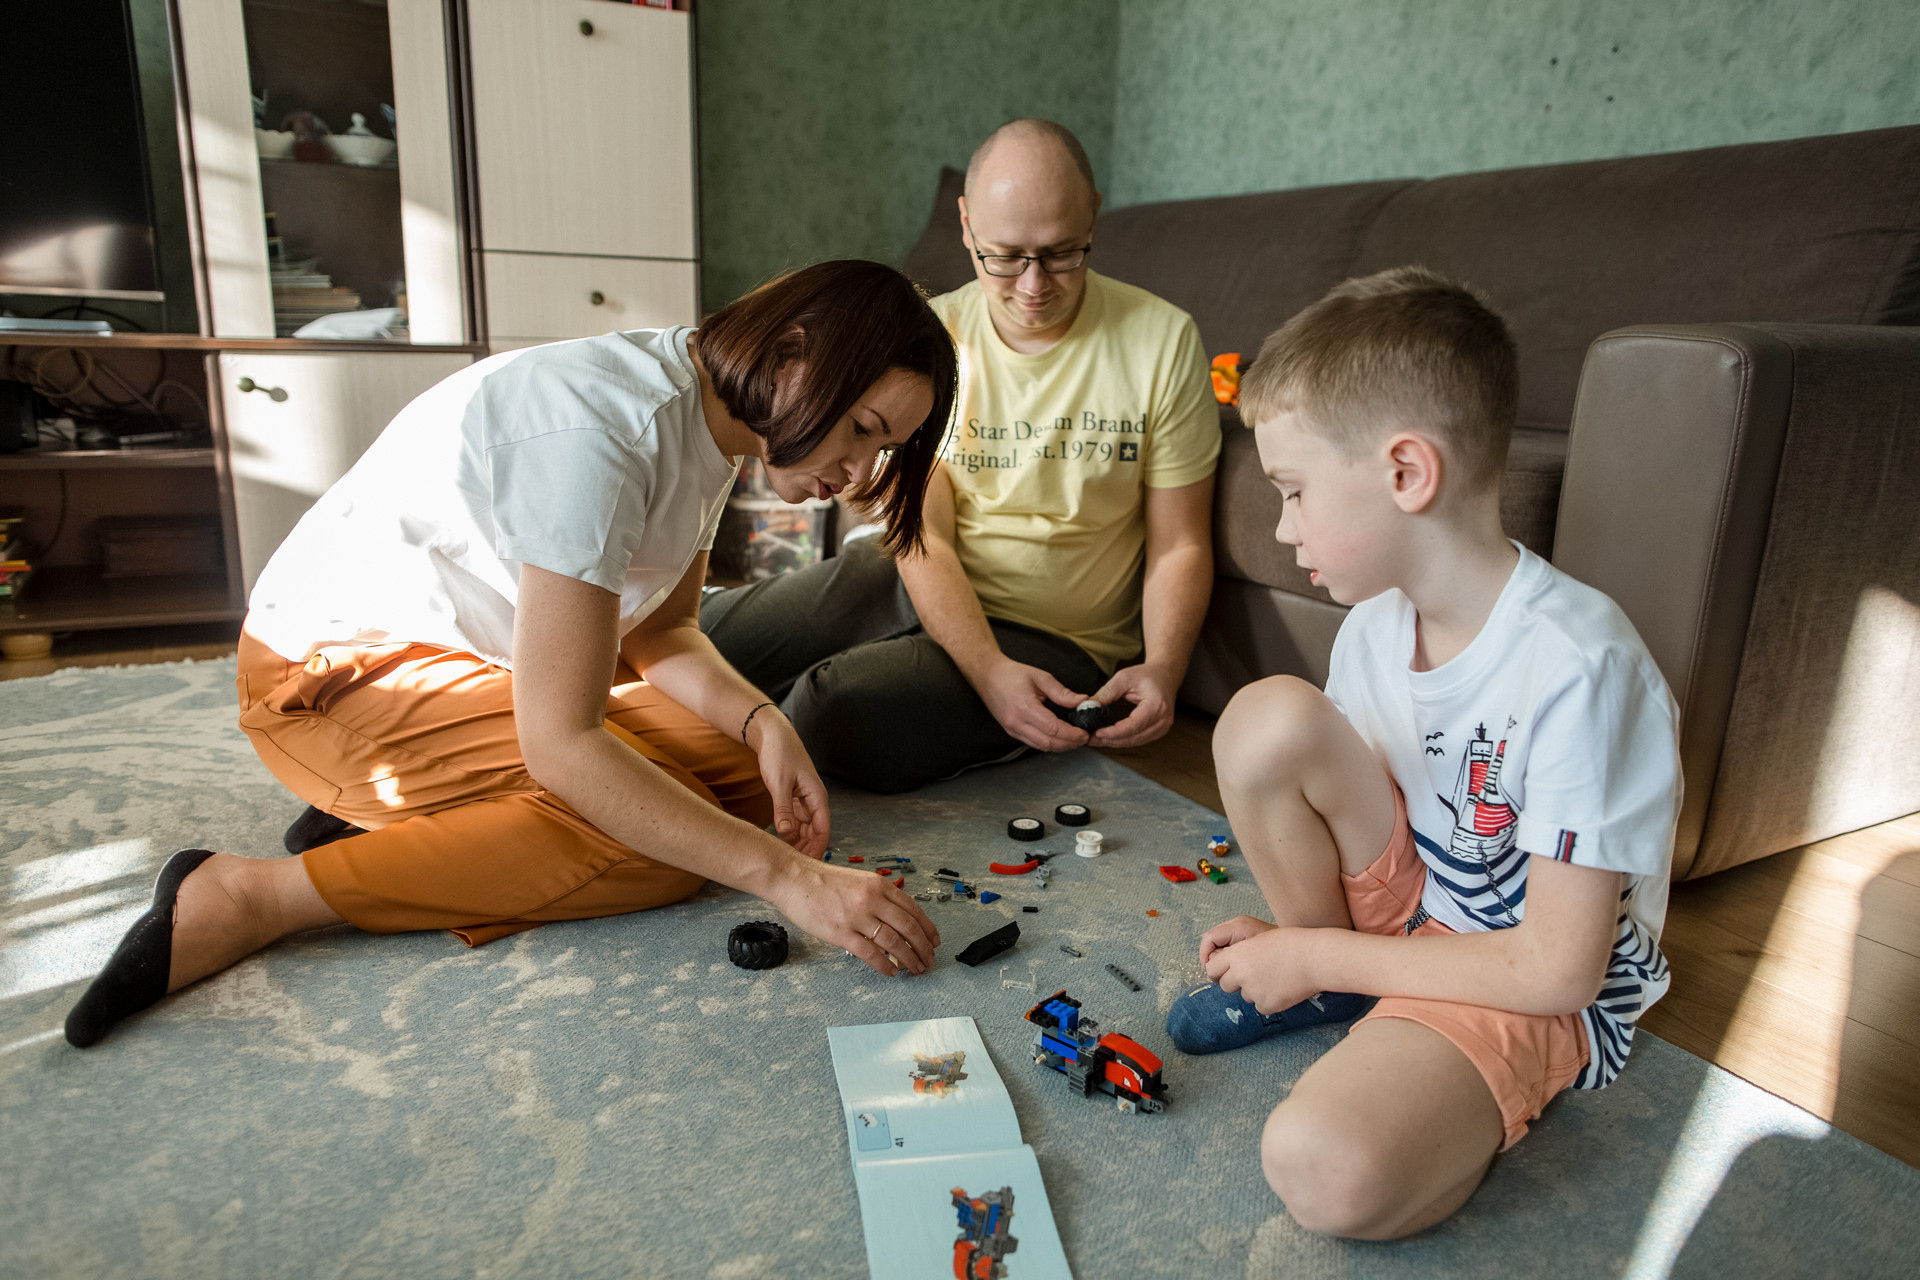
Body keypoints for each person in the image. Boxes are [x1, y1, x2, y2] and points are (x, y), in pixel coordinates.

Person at [65, 261, 958, 1049]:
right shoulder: (601, 427)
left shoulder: (713, 424)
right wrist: (789, 880)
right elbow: (563, 743)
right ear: (793, 352)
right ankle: (251, 896)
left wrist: (762, 722)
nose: (859, 470)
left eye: (883, 447)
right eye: (864, 427)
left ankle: (415, 826)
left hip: (467, 670)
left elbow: (660, 632)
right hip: (329, 684)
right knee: (655, 847)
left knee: (727, 773)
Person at [1168, 267, 1680, 1238]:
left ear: (1407, 471)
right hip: (1425, 909)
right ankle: (1335, 983)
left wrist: (1314, 945)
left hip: (1531, 972)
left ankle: (1348, 980)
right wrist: (1319, 944)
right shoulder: (1372, 627)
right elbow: (1366, 800)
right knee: (1264, 717)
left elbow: (1559, 970)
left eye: (1294, 490)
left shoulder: (1579, 665)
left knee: (1318, 1166)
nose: (1282, 525)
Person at [700, 118, 1219, 793]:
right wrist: (986, 674)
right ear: (967, 224)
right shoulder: (932, 341)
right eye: (1004, 257)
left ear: (1093, 213)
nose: (1033, 286)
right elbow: (922, 535)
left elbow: (1180, 543)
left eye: (1062, 253)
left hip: (1055, 635)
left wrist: (1165, 669)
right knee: (703, 639)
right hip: (903, 574)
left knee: (833, 708)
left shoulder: (1163, 339)